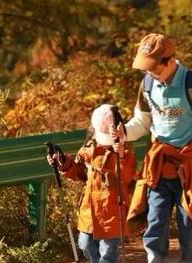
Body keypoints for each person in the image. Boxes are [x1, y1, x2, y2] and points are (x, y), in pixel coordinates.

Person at [124, 33, 192, 263]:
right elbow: (141, 123)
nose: (150, 73)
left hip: (191, 166)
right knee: (155, 221)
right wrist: (122, 133)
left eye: (154, 68)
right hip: (160, 164)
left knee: (190, 228)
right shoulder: (147, 84)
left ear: (170, 62)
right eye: (146, 69)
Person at [47, 103, 137, 263]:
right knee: (84, 244)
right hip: (90, 209)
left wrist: (121, 155)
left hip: (113, 212)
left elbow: (127, 176)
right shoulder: (89, 148)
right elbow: (79, 171)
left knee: (108, 255)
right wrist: (63, 162)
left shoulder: (125, 153)